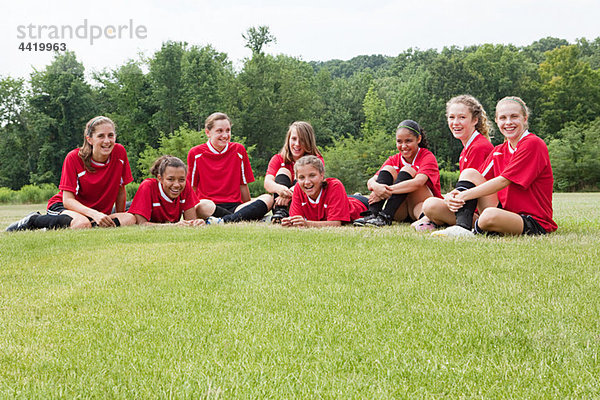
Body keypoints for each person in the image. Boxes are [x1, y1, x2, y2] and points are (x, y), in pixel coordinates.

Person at [431, 96, 557, 237]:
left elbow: (503, 180)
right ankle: (462, 227)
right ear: (497, 121)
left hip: (533, 221)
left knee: (489, 215)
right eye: (503, 118)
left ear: (525, 118)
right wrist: (452, 195)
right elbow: (473, 181)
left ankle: (474, 230)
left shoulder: (533, 144)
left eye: (514, 117)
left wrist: (463, 195)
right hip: (504, 212)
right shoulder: (499, 150)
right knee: (467, 175)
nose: (508, 122)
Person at [6, 116, 136, 231]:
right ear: (89, 139)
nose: (107, 141)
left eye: (111, 135)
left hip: (94, 212)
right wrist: (95, 214)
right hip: (65, 207)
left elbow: (120, 189)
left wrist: (120, 216)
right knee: (82, 224)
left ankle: (87, 224)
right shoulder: (73, 158)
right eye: (101, 136)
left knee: (129, 219)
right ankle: (34, 220)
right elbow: (67, 200)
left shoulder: (120, 152)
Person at [416, 95, 494, 231]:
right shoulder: (467, 148)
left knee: (430, 205)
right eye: (451, 117)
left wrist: (448, 200)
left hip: (485, 210)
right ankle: (434, 220)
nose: (455, 122)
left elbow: (472, 191)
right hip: (473, 206)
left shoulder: (479, 147)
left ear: (475, 120)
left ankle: (462, 224)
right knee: (429, 205)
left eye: (462, 117)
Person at [186, 112, 273, 224]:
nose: (225, 135)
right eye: (219, 131)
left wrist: (250, 208)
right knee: (202, 206)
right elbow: (191, 188)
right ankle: (248, 219)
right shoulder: (196, 153)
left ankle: (224, 221)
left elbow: (243, 185)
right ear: (208, 132)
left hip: (236, 207)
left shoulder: (239, 150)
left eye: (228, 130)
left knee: (268, 198)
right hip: (210, 207)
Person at [353, 119, 442, 227]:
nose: (404, 146)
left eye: (408, 141)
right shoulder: (394, 159)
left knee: (407, 169)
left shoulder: (427, 157)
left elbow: (418, 182)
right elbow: (371, 181)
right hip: (401, 209)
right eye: (399, 141)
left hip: (420, 206)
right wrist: (377, 187)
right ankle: (373, 214)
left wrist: (387, 191)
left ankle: (386, 216)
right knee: (388, 169)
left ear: (418, 139)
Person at [281, 155, 367, 227]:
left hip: (361, 204)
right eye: (302, 177)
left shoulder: (335, 186)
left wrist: (306, 224)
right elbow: (296, 219)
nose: (307, 182)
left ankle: (357, 195)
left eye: (312, 175)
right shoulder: (298, 188)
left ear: (322, 175)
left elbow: (336, 224)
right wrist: (290, 222)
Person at [264, 121, 324, 223]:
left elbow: (318, 182)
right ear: (288, 140)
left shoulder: (316, 160)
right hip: (281, 201)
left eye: (302, 140)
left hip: (304, 203)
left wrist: (290, 193)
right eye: (294, 139)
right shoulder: (278, 159)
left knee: (302, 173)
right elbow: (267, 183)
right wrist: (281, 190)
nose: (297, 144)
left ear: (308, 142)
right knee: (283, 170)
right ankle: (280, 212)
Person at [128, 155, 205, 226]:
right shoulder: (148, 186)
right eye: (170, 179)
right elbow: (141, 223)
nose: (176, 185)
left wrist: (196, 223)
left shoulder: (185, 186)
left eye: (181, 180)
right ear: (160, 179)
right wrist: (173, 226)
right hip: (130, 207)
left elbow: (190, 220)